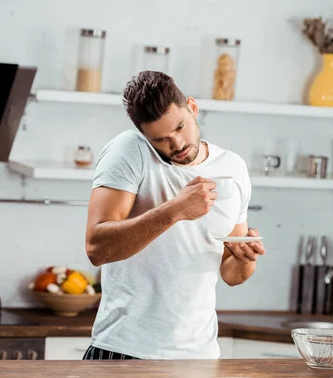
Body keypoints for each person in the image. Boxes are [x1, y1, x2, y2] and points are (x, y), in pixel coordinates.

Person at [83, 70, 265, 360]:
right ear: (144, 136)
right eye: (161, 139)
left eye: (180, 127)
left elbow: (232, 274)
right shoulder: (129, 151)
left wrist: (245, 258)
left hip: (199, 358)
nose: (177, 144)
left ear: (192, 107)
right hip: (125, 351)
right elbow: (97, 248)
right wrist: (175, 210)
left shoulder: (233, 167)